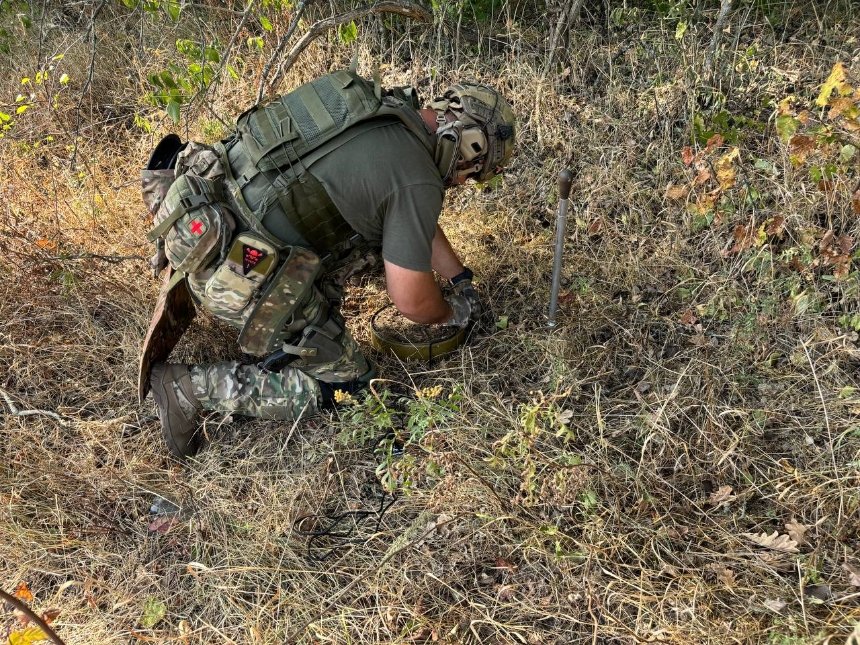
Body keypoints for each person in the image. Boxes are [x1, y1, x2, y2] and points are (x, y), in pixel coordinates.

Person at [139, 70, 516, 458]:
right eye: (472, 174)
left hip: (197, 208)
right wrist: (451, 311)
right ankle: (188, 389)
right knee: (351, 390)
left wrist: (460, 277)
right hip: (235, 265)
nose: (460, 182)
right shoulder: (417, 176)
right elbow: (412, 302)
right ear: (471, 146)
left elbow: (410, 216)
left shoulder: (379, 107)